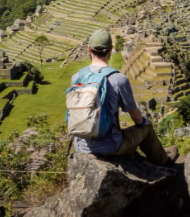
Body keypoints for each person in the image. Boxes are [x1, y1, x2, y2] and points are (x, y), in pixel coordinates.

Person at [71, 28, 178, 166]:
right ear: (110, 50)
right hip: (110, 146)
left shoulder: (77, 77)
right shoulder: (118, 79)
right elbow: (137, 118)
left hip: (81, 145)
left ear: (89, 49)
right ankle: (164, 162)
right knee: (146, 129)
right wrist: (145, 122)